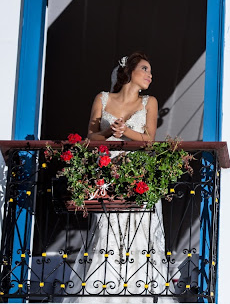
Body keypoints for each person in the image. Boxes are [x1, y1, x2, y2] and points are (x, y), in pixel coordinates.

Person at [67, 52, 167, 302]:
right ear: (129, 71)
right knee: (106, 232)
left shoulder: (150, 102)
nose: (150, 75)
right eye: (145, 69)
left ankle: (140, 294)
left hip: (138, 176)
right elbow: (91, 136)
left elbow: (150, 139)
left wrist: (126, 132)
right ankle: (102, 293)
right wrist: (109, 131)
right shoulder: (102, 98)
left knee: (141, 232)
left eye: (150, 71)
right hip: (108, 175)